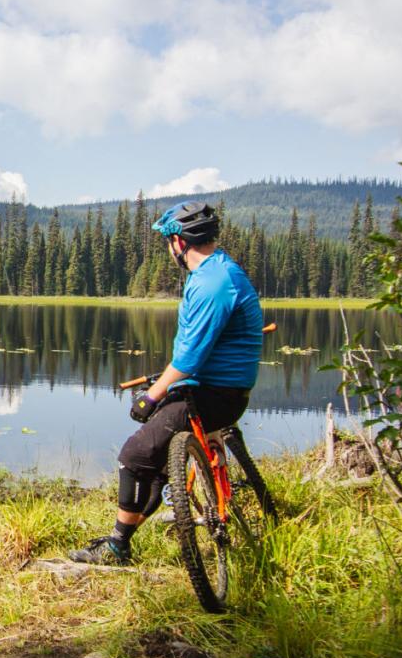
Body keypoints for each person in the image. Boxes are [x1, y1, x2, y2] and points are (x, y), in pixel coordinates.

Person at [69, 200, 264, 565]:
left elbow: (189, 359)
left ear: (179, 241)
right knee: (156, 460)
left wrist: (151, 396)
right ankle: (131, 526)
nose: (168, 248)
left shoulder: (213, 284)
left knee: (133, 456)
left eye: (167, 241)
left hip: (214, 395)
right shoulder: (218, 272)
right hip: (218, 387)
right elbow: (198, 351)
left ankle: (116, 548)